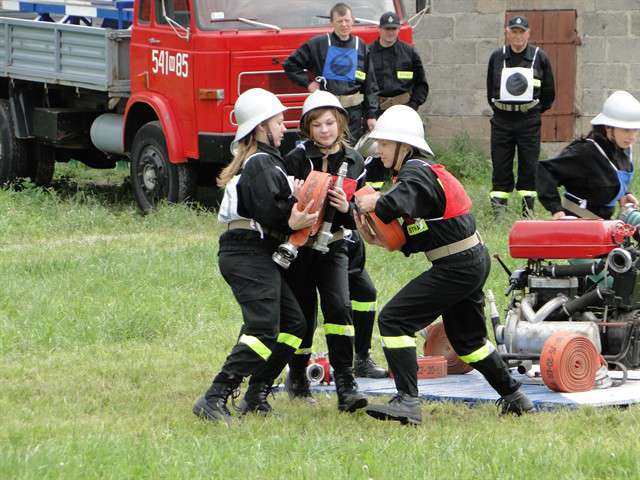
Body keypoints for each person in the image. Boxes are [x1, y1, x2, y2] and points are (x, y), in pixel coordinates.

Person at [354, 105, 533, 425]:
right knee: (469, 342)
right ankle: (515, 397)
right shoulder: (421, 173)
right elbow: (420, 233)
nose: (379, 149)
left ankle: (407, 401)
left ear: (404, 146)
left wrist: (375, 201)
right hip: (468, 260)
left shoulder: (415, 171)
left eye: (385, 143)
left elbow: (394, 203)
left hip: (457, 265)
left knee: (394, 320)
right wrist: (381, 240)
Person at [192, 88, 318, 423]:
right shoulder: (261, 163)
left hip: (256, 252)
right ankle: (214, 397)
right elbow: (271, 211)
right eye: (278, 122)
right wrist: (294, 217)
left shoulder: (264, 161)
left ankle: (255, 394)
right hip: (246, 252)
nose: (284, 128)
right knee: (263, 328)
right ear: (261, 127)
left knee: (293, 324)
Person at [282, 90, 368, 411]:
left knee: (339, 308)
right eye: (317, 125)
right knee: (304, 314)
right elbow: (282, 203)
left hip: (334, 245)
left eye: (330, 123)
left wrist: (347, 207)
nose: (324, 130)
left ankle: (346, 383)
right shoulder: (295, 158)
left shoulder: (355, 161)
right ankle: (298, 377)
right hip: (302, 248)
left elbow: (361, 212)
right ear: (307, 127)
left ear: (340, 123)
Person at [486, 15, 555, 216]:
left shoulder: (540, 57)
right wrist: (503, 110)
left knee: (529, 166)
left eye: (521, 32)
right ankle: (499, 213)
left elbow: (549, 93)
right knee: (500, 166)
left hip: (528, 121)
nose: (518, 36)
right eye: (514, 32)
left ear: (528, 34)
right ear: (507, 33)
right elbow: (490, 91)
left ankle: (528, 212)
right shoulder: (497, 57)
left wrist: (532, 111)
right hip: (502, 121)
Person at [283, 2, 378, 142]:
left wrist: (371, 115)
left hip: (354, 114)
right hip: (327, 112)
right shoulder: (318, 44)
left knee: (351, 151)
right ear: (332, 22)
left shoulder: (361, 46)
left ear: (353, 20)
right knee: (329, 148)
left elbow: (370, 83)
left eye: (347, 20)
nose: (344, 25)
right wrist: (308, 83)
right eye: (339, 21)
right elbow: (290, 64)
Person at [538, 90, 640, 220]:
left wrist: (623, 194)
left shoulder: (623, 148)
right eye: (626, 130)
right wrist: (555, 209)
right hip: (577, 221)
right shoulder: (584, 152)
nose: (632, 137)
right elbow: (544, 170)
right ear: (608, 127)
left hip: (603, 222)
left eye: (635, 130)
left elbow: (607, 178)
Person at [369, 11, 428, 117]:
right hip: (376, 111)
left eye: (394, 29)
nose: (390, 32)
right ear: (380, 29)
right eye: (387, 29)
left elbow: (421, 84)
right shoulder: (368, 53)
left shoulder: (410, 53)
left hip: (404, 109)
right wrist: (369, 112)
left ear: (399, 29)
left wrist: (412, 106)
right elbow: (362, 84)